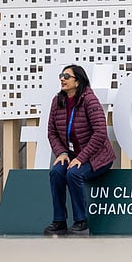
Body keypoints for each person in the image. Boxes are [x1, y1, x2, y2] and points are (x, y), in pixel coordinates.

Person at [44, 65, 116, 236]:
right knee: (56, 173)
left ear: (78, 81)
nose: (62, 79)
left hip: (96, 156)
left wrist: (81, 158)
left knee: (73, 174)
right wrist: (61, 153)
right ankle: (59, 221)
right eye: (61, 76)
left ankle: (81, 222)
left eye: (67, 76)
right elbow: (51, 132)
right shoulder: (57, 101)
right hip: (71, 155)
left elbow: (100, 133)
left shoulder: (89, 100)